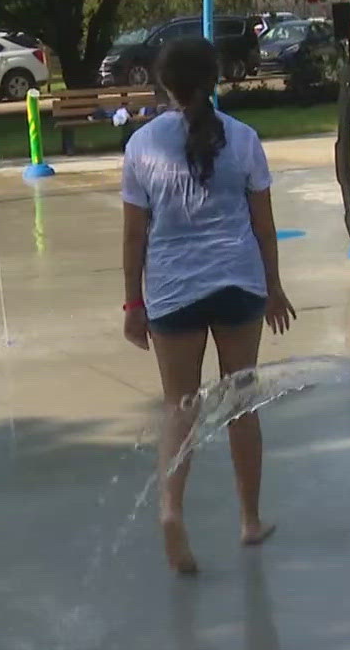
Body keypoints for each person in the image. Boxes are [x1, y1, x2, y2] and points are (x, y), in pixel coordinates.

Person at [121, 36, 297, 575]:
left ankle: (171, 510)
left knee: (181, 406)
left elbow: (134, 237)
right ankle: (249, 519)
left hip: (173, 291)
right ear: (215, 79)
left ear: (163, 84)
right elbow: (264, 227)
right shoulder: (243, 140)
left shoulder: (142, 146)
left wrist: (134, 301)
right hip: (238, 284)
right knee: (241, 398)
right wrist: (273, 286)